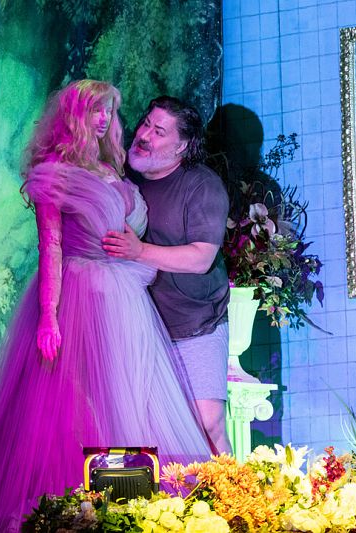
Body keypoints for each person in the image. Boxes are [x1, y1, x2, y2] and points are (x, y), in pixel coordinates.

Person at [0, 80, 210, 533]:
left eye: (109, 110)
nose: (104, 119)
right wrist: (49, 316)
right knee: (84, 406)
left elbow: (128, 238)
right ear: (73, 115)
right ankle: (77, 512)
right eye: (95, 110)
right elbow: (51, 246)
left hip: (125, 302)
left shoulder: (110, 168)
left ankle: (127, 507)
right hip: (81, 297)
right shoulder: (56, 173)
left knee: (131, 398)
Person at [102, 96, 232, 455]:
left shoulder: (201, 185)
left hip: (195, 324)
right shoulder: (121, 180)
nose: (144, 135)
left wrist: (139, 251)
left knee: (206, 422)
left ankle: (233, 490)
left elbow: (201, 258)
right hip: (140, 326)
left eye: (159, 132)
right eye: (146, 124)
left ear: (182, 146)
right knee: (148, 430)